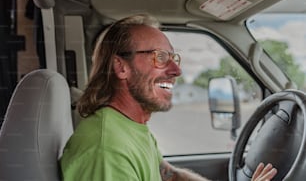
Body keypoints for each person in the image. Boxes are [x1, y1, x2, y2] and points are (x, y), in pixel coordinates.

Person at [60, 14, 277, 181]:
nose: (176, 70)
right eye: (160, 57)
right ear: (121, 67)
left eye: (173, 58)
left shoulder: (129, 126)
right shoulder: (106, 149)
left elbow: (170, 175)